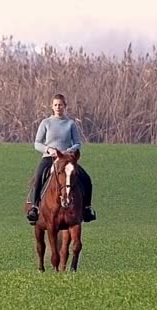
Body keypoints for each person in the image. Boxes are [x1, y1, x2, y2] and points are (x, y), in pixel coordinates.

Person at [26, 93, 97, 224]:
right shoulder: (45, 123)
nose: (58, 107)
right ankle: (35, 208)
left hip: (67, 159)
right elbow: (37, 143)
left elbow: (78, 143)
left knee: (86, 179)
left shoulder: (70, 124)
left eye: (61, 105)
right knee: (38, 177)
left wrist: (68, 151)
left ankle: (87, 209)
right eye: (56, 105)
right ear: (52, 107)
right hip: (49, 158)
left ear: (65, 106)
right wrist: (49, 150)